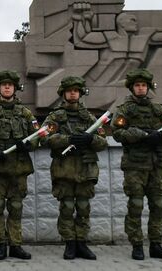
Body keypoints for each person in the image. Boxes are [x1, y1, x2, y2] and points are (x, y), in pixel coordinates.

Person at [111, 68, 162, 260]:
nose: (141, 88)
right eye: (137, 85)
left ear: (148, 87)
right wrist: (139, 135)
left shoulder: (158, 109)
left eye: (144, 85)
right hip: (135, 165)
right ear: (132, 88)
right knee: (136, 205)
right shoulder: (125, 110)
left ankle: (156, 244)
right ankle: (137, 245)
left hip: (156, 164)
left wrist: (160, 136)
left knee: (158, 205)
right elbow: (117, 132)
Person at [0, 70, 39, 261]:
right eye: (4, 85)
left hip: (18, 168)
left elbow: (36, 136)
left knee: (16, 207)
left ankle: (15, 245)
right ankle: (1, 244)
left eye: (10, 84)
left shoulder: (25, 113)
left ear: (15, 88)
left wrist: (29, 145)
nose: (7, 87)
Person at [42, 76, 108, 260]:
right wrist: (67, 139)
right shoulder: (55, 117)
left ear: (80, 93)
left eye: (76, 90)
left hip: (85, 169)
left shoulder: (89, 118)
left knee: (83, 207)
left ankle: (82, 243)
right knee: (67, 207)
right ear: (63, 93)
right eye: (69, 90)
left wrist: (90, 139)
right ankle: (69, 243)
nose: (73, 93)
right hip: (64, 168)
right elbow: (44, 137)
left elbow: (103, 142)